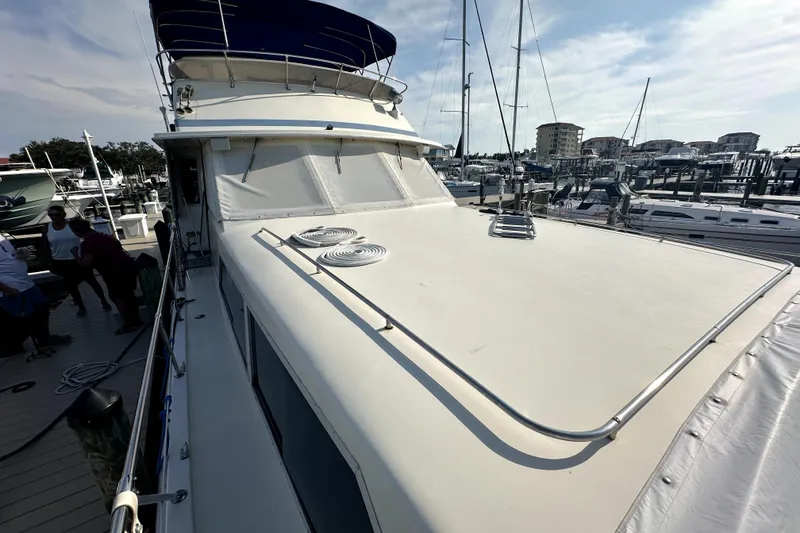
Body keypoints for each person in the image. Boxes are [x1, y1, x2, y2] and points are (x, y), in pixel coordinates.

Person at [0, 234, 71, 357]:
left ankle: (44, 339)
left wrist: (19, 254)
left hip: (24, 281)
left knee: (42, 304)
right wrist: (6, 289)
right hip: (10, 285)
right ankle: (17, 345)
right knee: (24, 314)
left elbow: (8, 256)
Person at [68, 218, 143, 334]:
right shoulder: (105, 236)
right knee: (129, 294)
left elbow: (85, 263)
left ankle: (128, 325)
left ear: (77, 232)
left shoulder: (87, 243)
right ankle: (137, 320)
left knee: (118, 297)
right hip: (128, 266)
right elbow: (117, 246)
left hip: (113, 272)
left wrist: (75, 255)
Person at [43, 205, 111, 317]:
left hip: (79, 258)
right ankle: (81, 307)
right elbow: (45, 245)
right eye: (50, 215)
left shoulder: (72, 225)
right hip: (61, 261)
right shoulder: (46, 227)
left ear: (63, 214)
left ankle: (104, 301)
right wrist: (48, 261)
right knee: (71, 286)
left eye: (56, 214)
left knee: (91, 281)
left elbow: (88, 235)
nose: (53, 217)